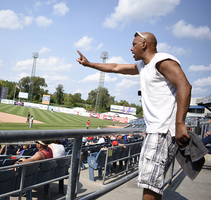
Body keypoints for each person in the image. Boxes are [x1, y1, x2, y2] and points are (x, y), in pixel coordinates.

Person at [76, 31, 192, 200]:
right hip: (155, 131)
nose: (131, 48)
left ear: (144, 44)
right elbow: (116, 67)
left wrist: (180, 123)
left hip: (162, 131)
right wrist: (89, 64)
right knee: (152, 184)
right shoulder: (143, 66)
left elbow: (185, 86)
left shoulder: (162, 61)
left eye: (134, 44)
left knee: (150, 185)